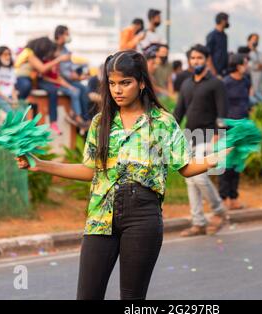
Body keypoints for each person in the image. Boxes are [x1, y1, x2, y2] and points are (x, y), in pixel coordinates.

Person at [15, 50, 231, 300]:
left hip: (143, 217)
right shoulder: (101, 122)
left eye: (125, 83)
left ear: (140, 83)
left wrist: (224, 153)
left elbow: (185, 167)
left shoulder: (161, 122)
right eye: (112, 83)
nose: (117, 90)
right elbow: (89, 170)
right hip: (100, 217)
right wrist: (40, 164)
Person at [174, 44, 228, 237]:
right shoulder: (186, 84)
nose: (196, 61)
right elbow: (178, 112)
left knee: (199, 177)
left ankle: (219, 210)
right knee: (190, 179)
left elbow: (222, 113)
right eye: (193, 58)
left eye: (199, 58)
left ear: (206, 59)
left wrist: (218, 137)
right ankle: (198, 222)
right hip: (189, 136)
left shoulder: (216, 83)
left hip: (208, 136)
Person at [14, 36, 71, 135]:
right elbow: (42, 68)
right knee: (26, 86)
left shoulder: (37, 56)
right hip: (23, 79)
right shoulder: (29, 53)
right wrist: (59, 59)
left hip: (34, 80)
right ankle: (19, 105)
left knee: (53, 90)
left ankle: (53, 121)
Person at [218, 54, 251, 210]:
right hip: (228, 126)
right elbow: (219, 107)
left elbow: (246, 102)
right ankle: (223, 198)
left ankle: (234, 197)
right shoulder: (225, 83)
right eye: (245, 63)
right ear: (238, 65)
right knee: (226, 163)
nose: (247, 66)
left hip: (242, 126)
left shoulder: (245, 81)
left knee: (238, 163)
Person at [41, 49, 87, 128]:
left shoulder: (57, 64)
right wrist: (58, 82)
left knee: (76, 91)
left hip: (58, 85)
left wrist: (70, 87)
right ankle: (77, 116)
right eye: (58, 52)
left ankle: (74, 114)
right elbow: (44, 77)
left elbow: (59, 78)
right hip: (53, 86)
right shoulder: (48, 62)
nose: (60, 54)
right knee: (75, 91)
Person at [54, 25, 91, 125]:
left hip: (69, 79)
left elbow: (69, 66)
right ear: (60, 35)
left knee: (84, 89)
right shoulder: (53, 48)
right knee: (76, 91)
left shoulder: (65, 50)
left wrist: (77, 75)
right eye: (67, 34)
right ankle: (78, 117)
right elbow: (60, 70)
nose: (68, 36)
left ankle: (85, 117)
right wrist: (75, 77)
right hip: (58, 80)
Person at [0, 46, 18, 113]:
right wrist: (9, 101)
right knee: (11, 113)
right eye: (5, 54)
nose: (8, 57)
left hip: (10, 97)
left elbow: (12, 87)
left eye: (9, 54)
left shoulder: (11, 69)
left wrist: (15, 100)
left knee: (20, 114)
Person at [247, 33, 262, 104]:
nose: (256, 41)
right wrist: (257, 66)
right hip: (250, 81)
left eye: (257, 40)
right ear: (249, 41)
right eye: (254, 39)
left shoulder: (260, 53)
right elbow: (250, 65)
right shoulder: (246, 51)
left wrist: (261, 65)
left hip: (260, 81)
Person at [206, 12, 230, 77]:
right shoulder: (212, 36)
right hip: (215, 70)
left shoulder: (224, 36)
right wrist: (213, 71)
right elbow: (208, 55)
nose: (227, 22)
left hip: (224, 70)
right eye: (227, 20)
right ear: (222, 21)